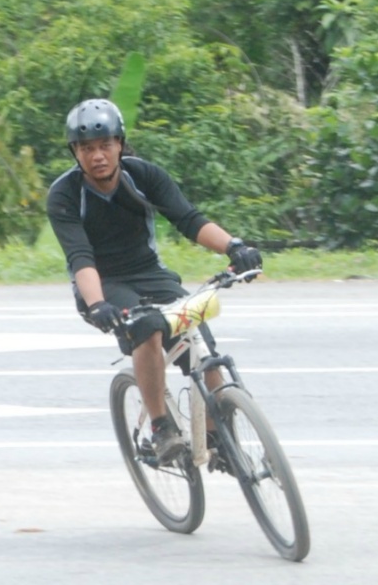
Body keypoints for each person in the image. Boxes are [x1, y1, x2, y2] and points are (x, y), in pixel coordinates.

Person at [46, 99, 263, 465]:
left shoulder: (144, 176)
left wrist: (234, 247)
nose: (97, 156)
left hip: (152, 274)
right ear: (75, 152)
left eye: (104, 145)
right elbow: (80, 257)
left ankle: (217, 435)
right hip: (104, 285)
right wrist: (98, 304)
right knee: (146, 327)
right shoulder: (65, 195)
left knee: (202, 347)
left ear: (120, 144)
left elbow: (189, 220)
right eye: (86, 149)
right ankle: (161, 428)